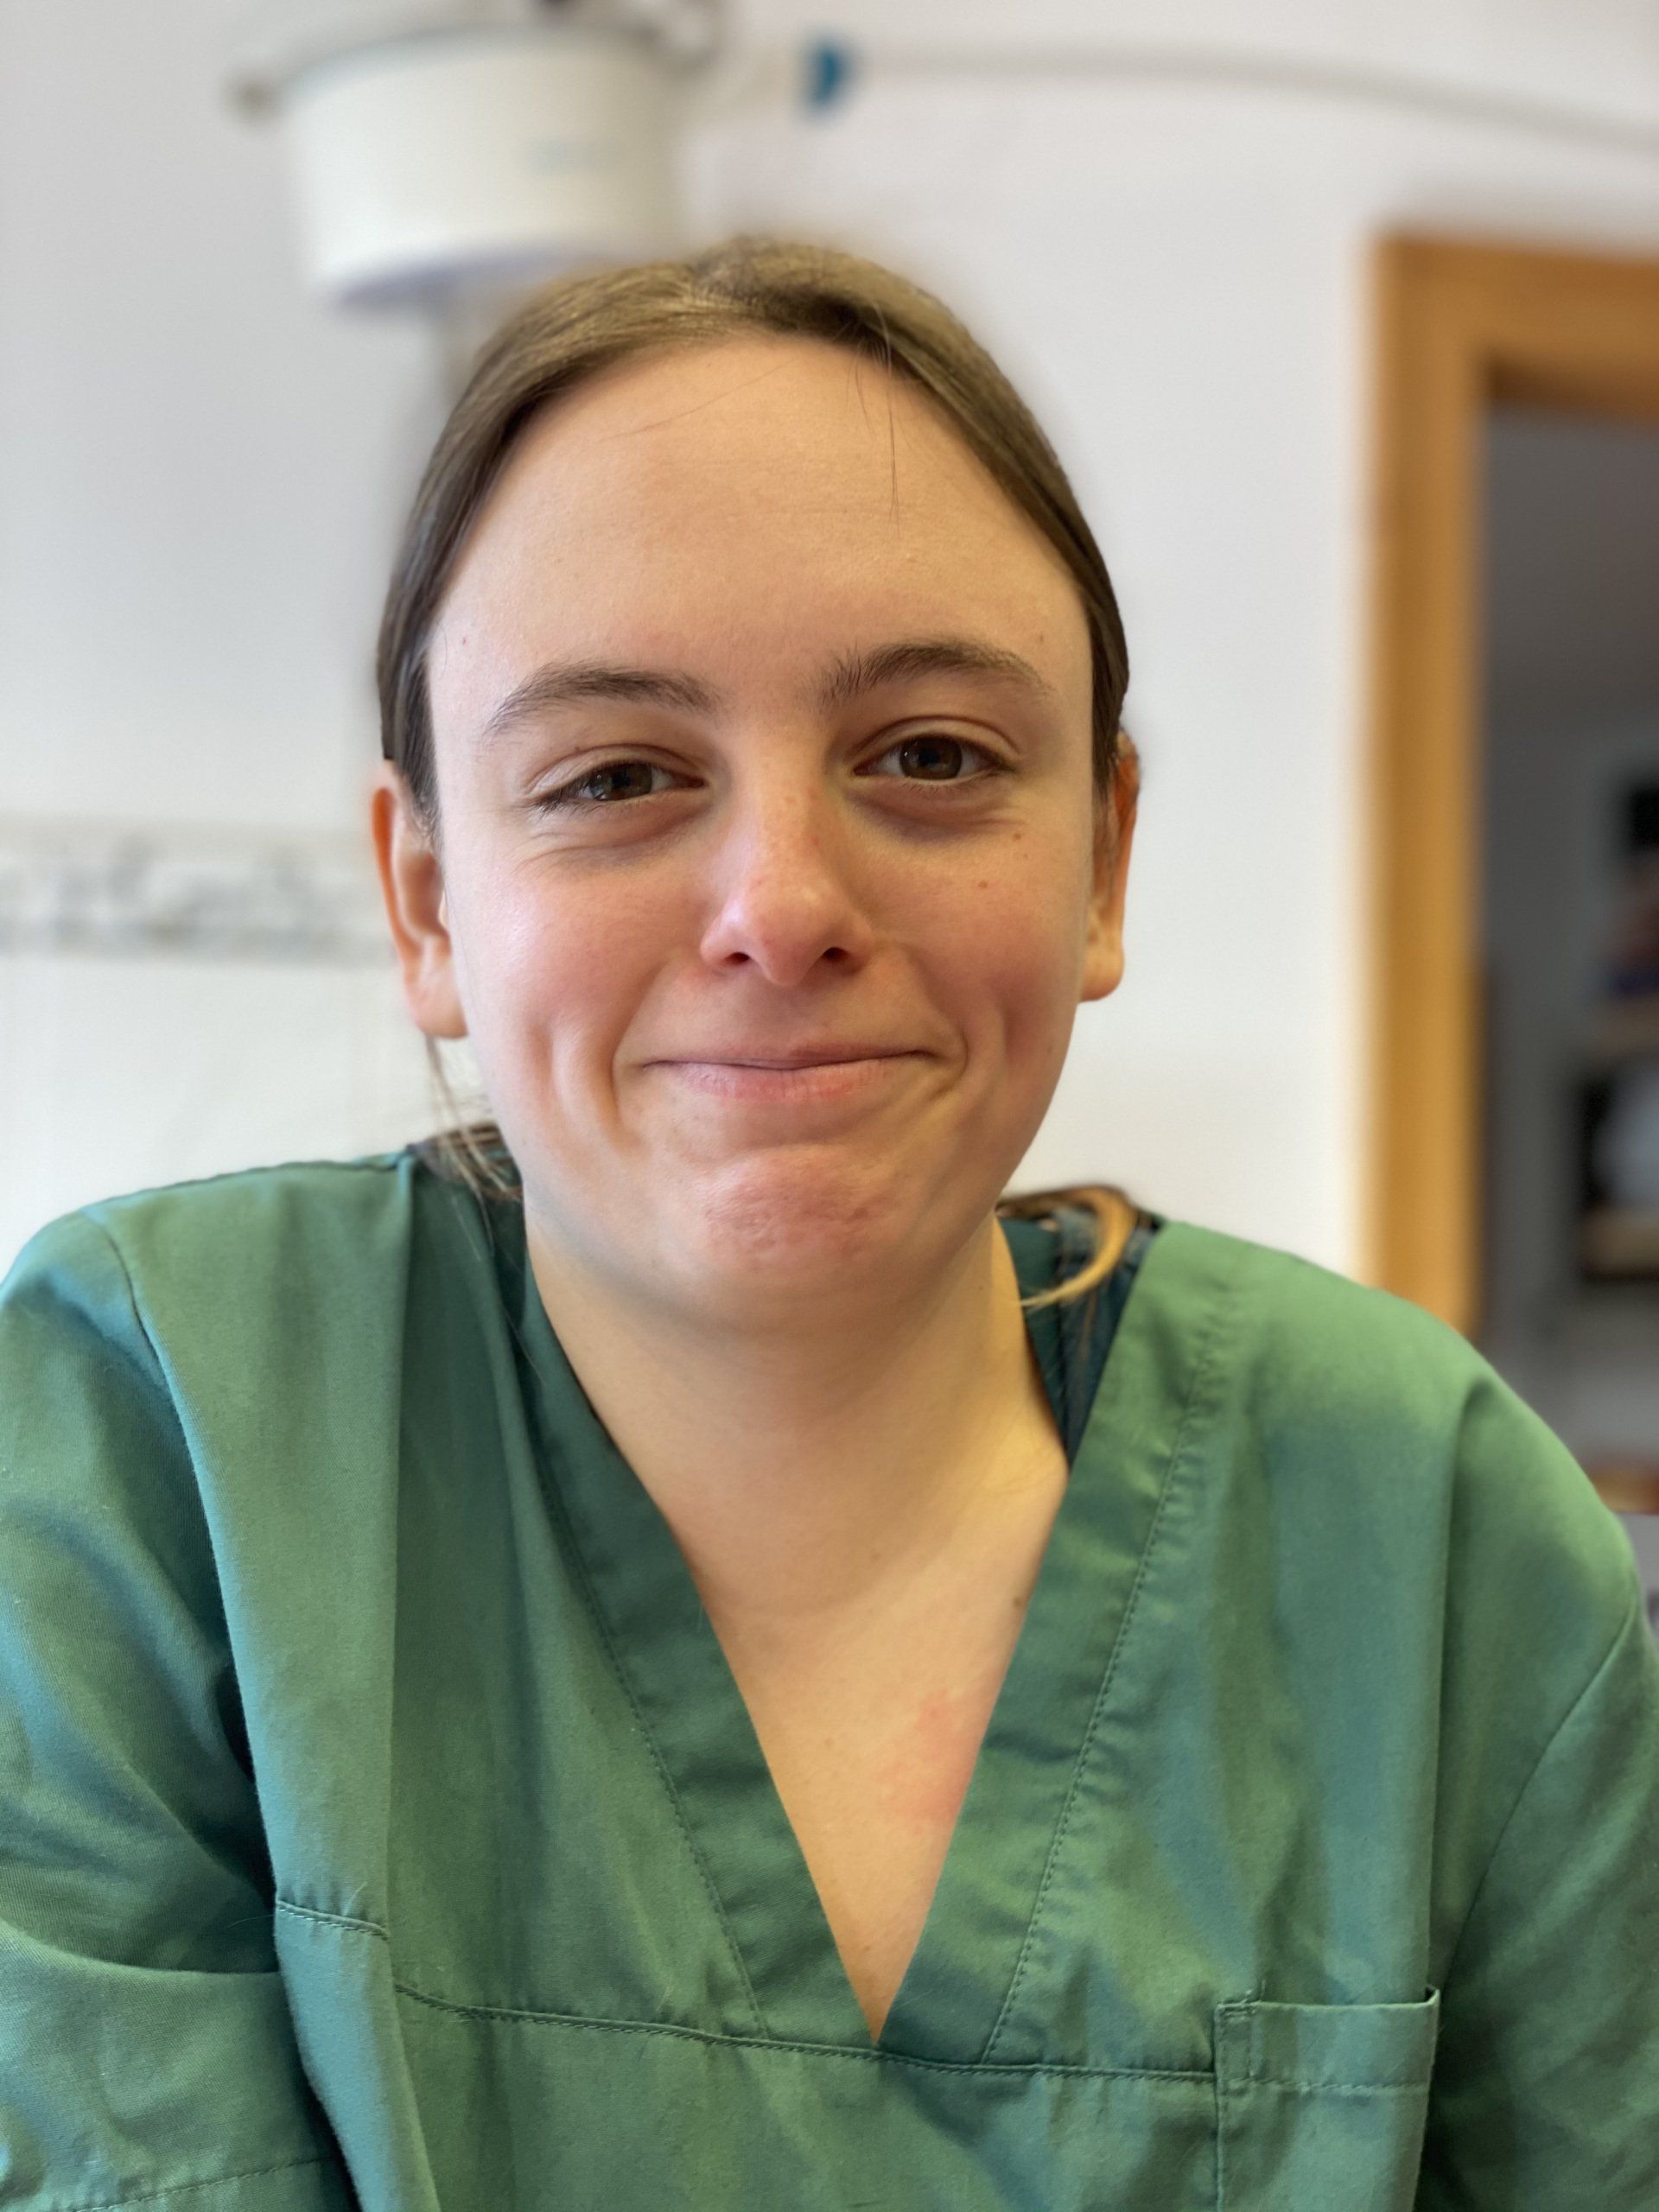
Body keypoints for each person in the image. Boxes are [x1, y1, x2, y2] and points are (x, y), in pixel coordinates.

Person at [0, 234, 1655, 2212]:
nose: (782, 905)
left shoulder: (1428, 1521)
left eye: (932, 754)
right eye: (618, 774)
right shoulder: (155, 1443)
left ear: (1103, 856)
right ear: (428, 901)